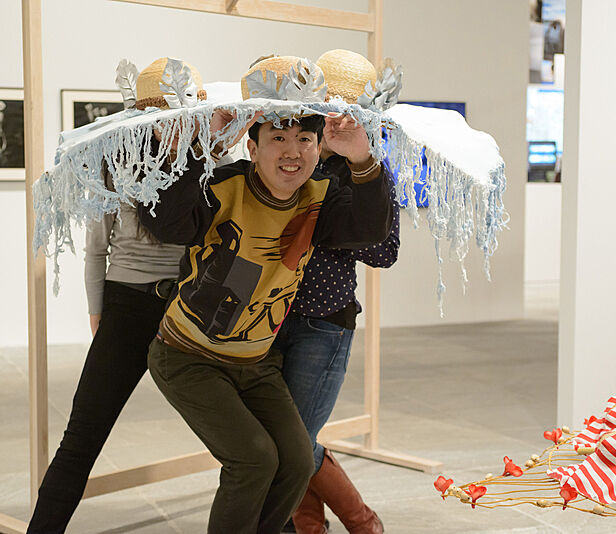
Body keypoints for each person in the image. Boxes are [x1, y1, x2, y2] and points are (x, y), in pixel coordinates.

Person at [141, 56, 394, 534]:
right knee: (255, 460)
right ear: (252, 146)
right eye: (277, 137)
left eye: (304, 139)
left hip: (256, 362)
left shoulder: (321, 194)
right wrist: (197, 147)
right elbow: (169, 223)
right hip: (188, 356)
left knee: (298, 461)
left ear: (321, 146)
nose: (292, 151)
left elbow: (371, 230)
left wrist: (361, 158)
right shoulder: (225, 184)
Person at [26, 57, 209, 534]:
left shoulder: (213, 162)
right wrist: (97, 311)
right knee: (82, 436)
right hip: (127, 304)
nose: (174, 126)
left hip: (190, 305)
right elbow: (95, 250)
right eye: (163, 116)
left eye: (182, 116)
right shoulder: (117, 165)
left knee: (246, 432)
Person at [279, 49, 401, 534]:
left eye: (344, 109)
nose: (334, 118)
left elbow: (385, 252)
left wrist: (335, 220)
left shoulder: (367, 171)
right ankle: (308, 527)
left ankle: (361, 522)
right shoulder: (291, 156)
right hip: (266, 319)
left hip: (323, 322)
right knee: (287, 439)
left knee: (294, 440)